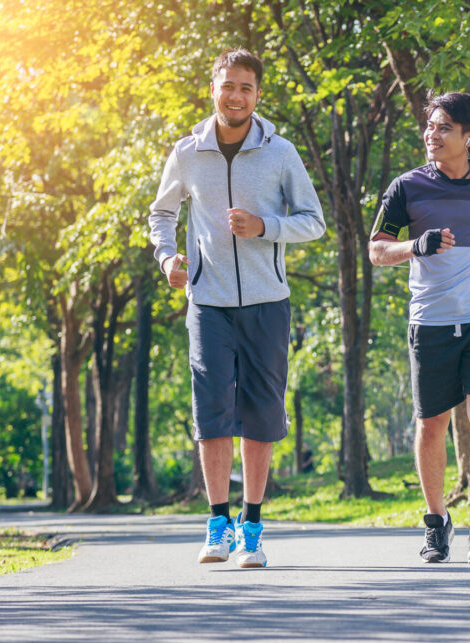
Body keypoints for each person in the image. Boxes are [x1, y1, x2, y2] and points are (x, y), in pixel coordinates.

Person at [148, 48, 326, 568]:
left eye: (246, 87)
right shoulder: (186, 153)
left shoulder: (280, 152)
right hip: (207, 300)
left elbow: (314, 221)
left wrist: (266, 227)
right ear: (213, 89)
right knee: (212, 413)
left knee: (262, 415)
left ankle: (252, 526)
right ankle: (216, 525)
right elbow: (161, 214)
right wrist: (167, 259)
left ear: (258, 94)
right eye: (228, 86)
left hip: (268, 302)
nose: (237, 95)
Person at [369, 92, 470, 564]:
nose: (430, 135)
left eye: (442, 128)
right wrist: (417, 245)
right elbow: (376, 251)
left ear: (468, 138)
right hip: (431, 320)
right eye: (429, 126)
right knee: (431, 423)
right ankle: (437, 523)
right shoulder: (406, 187)